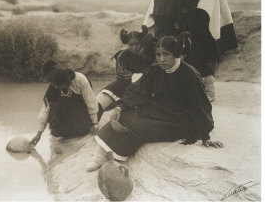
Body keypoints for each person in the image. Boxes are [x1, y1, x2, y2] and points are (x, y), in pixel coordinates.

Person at [86, 33, 223, 172]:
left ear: (175, 54)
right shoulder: (154, 70)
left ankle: (116, 162)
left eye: (166, 54)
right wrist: (120, 108)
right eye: (158, 55)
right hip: (156, 111)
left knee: (137, 125)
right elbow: (138, 90)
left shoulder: (190, 75)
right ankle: (98, 157)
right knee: (123, 116)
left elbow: (199, 105)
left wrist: (205, 135)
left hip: (176, 119)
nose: (161, 59)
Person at [177, 0, 238, 101]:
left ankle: (210, 91)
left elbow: (207, 1)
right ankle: (198, 90)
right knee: (192, 55)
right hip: (194, 22)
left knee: (202, 56)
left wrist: (197, 19)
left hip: (204, 22)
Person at [30, 60, 103, 147]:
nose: (57, 87)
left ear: (66, 81)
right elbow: (46, 109)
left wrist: (95, 124)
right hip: (66, 120)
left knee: (96, 108)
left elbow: (90, 101)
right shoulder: (54, 84)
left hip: (80, 116)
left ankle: (81, 128)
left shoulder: (80, 80)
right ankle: (63, 132)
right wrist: (39, 135)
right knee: (57, 104)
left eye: (59, 85)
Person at [97, 25, 156, 111]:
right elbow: (122, 76)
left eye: (137, 44)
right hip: (127, 84)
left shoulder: (150, 53)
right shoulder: (122, 56)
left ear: (141, 42)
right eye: (131, 45)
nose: (134, 47)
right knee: (101, 100)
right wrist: (134, 78)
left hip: (149, 85)